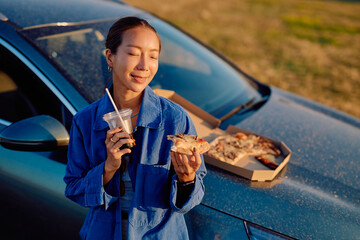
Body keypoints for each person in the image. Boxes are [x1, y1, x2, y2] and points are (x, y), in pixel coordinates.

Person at [64, 16, 206, 240]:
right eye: (132, 53)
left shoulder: (174, 118)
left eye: (153, 56)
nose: (144, 66)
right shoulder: (85, 121)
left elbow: (192, 198)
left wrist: (187, 179)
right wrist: (109, 167)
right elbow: (74, 188)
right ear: (110, 56)